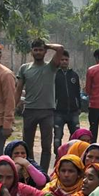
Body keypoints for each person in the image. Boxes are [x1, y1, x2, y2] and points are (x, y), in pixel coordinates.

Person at [16, 39, 64, 172]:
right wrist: (15, 105)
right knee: (27, 145)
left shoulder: (51, 66)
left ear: (45, 51)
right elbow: (18, 89)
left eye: (40, 50)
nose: (38, 52)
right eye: (35, 50)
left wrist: (47, 45)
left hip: (47, 112)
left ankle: (42, 173)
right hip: (29, 110)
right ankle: (31, 171)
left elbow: (60, 48)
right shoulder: (24, 68)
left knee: (46, 145)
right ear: (31, 52)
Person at [53, 50, 81, 153]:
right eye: (62, 60)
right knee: (57, 136)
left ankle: (72, 154)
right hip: (58, 112)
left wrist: (79, 107)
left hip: (73, 111)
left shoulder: (74, 75)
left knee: (76, 136)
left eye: (66, 60)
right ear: (58, 61)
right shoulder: (54, 75)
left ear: (69, 61)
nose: (64, 62)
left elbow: (77, 92)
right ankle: (58, 156)